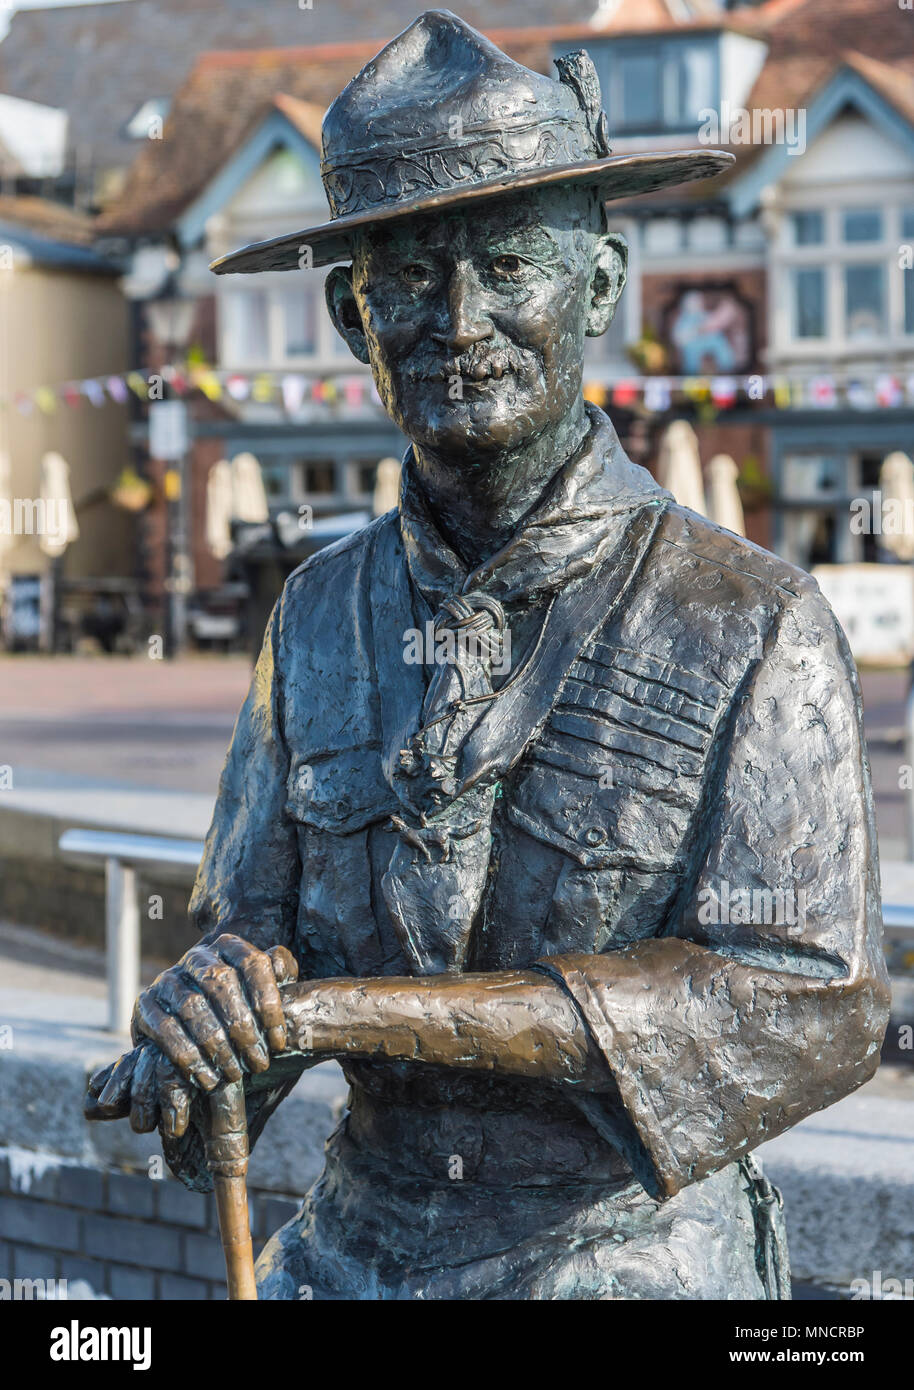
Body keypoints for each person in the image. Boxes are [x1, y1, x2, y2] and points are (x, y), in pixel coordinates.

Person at [86, 11, 888, 1300]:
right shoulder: (315, 619)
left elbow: (806, 1004)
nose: (460, 320)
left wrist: (350, 1015)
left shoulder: (748, 618)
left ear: (602, 285)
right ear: (354, 318)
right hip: (349, 1259)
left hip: (627, 1264)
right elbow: (251, 956)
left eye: (509, 267)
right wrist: (207, 1024)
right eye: (409, 277)